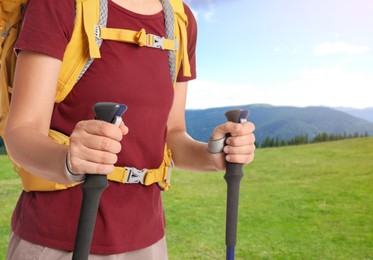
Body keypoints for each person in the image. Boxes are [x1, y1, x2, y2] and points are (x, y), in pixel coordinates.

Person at [4, 0, 256, 259]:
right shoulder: (58, 4)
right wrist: (68, 160)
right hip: (58, 240)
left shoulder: (180, 19)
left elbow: (172, 134)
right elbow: (22, 130)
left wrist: (213, 155)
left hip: (149, 243)